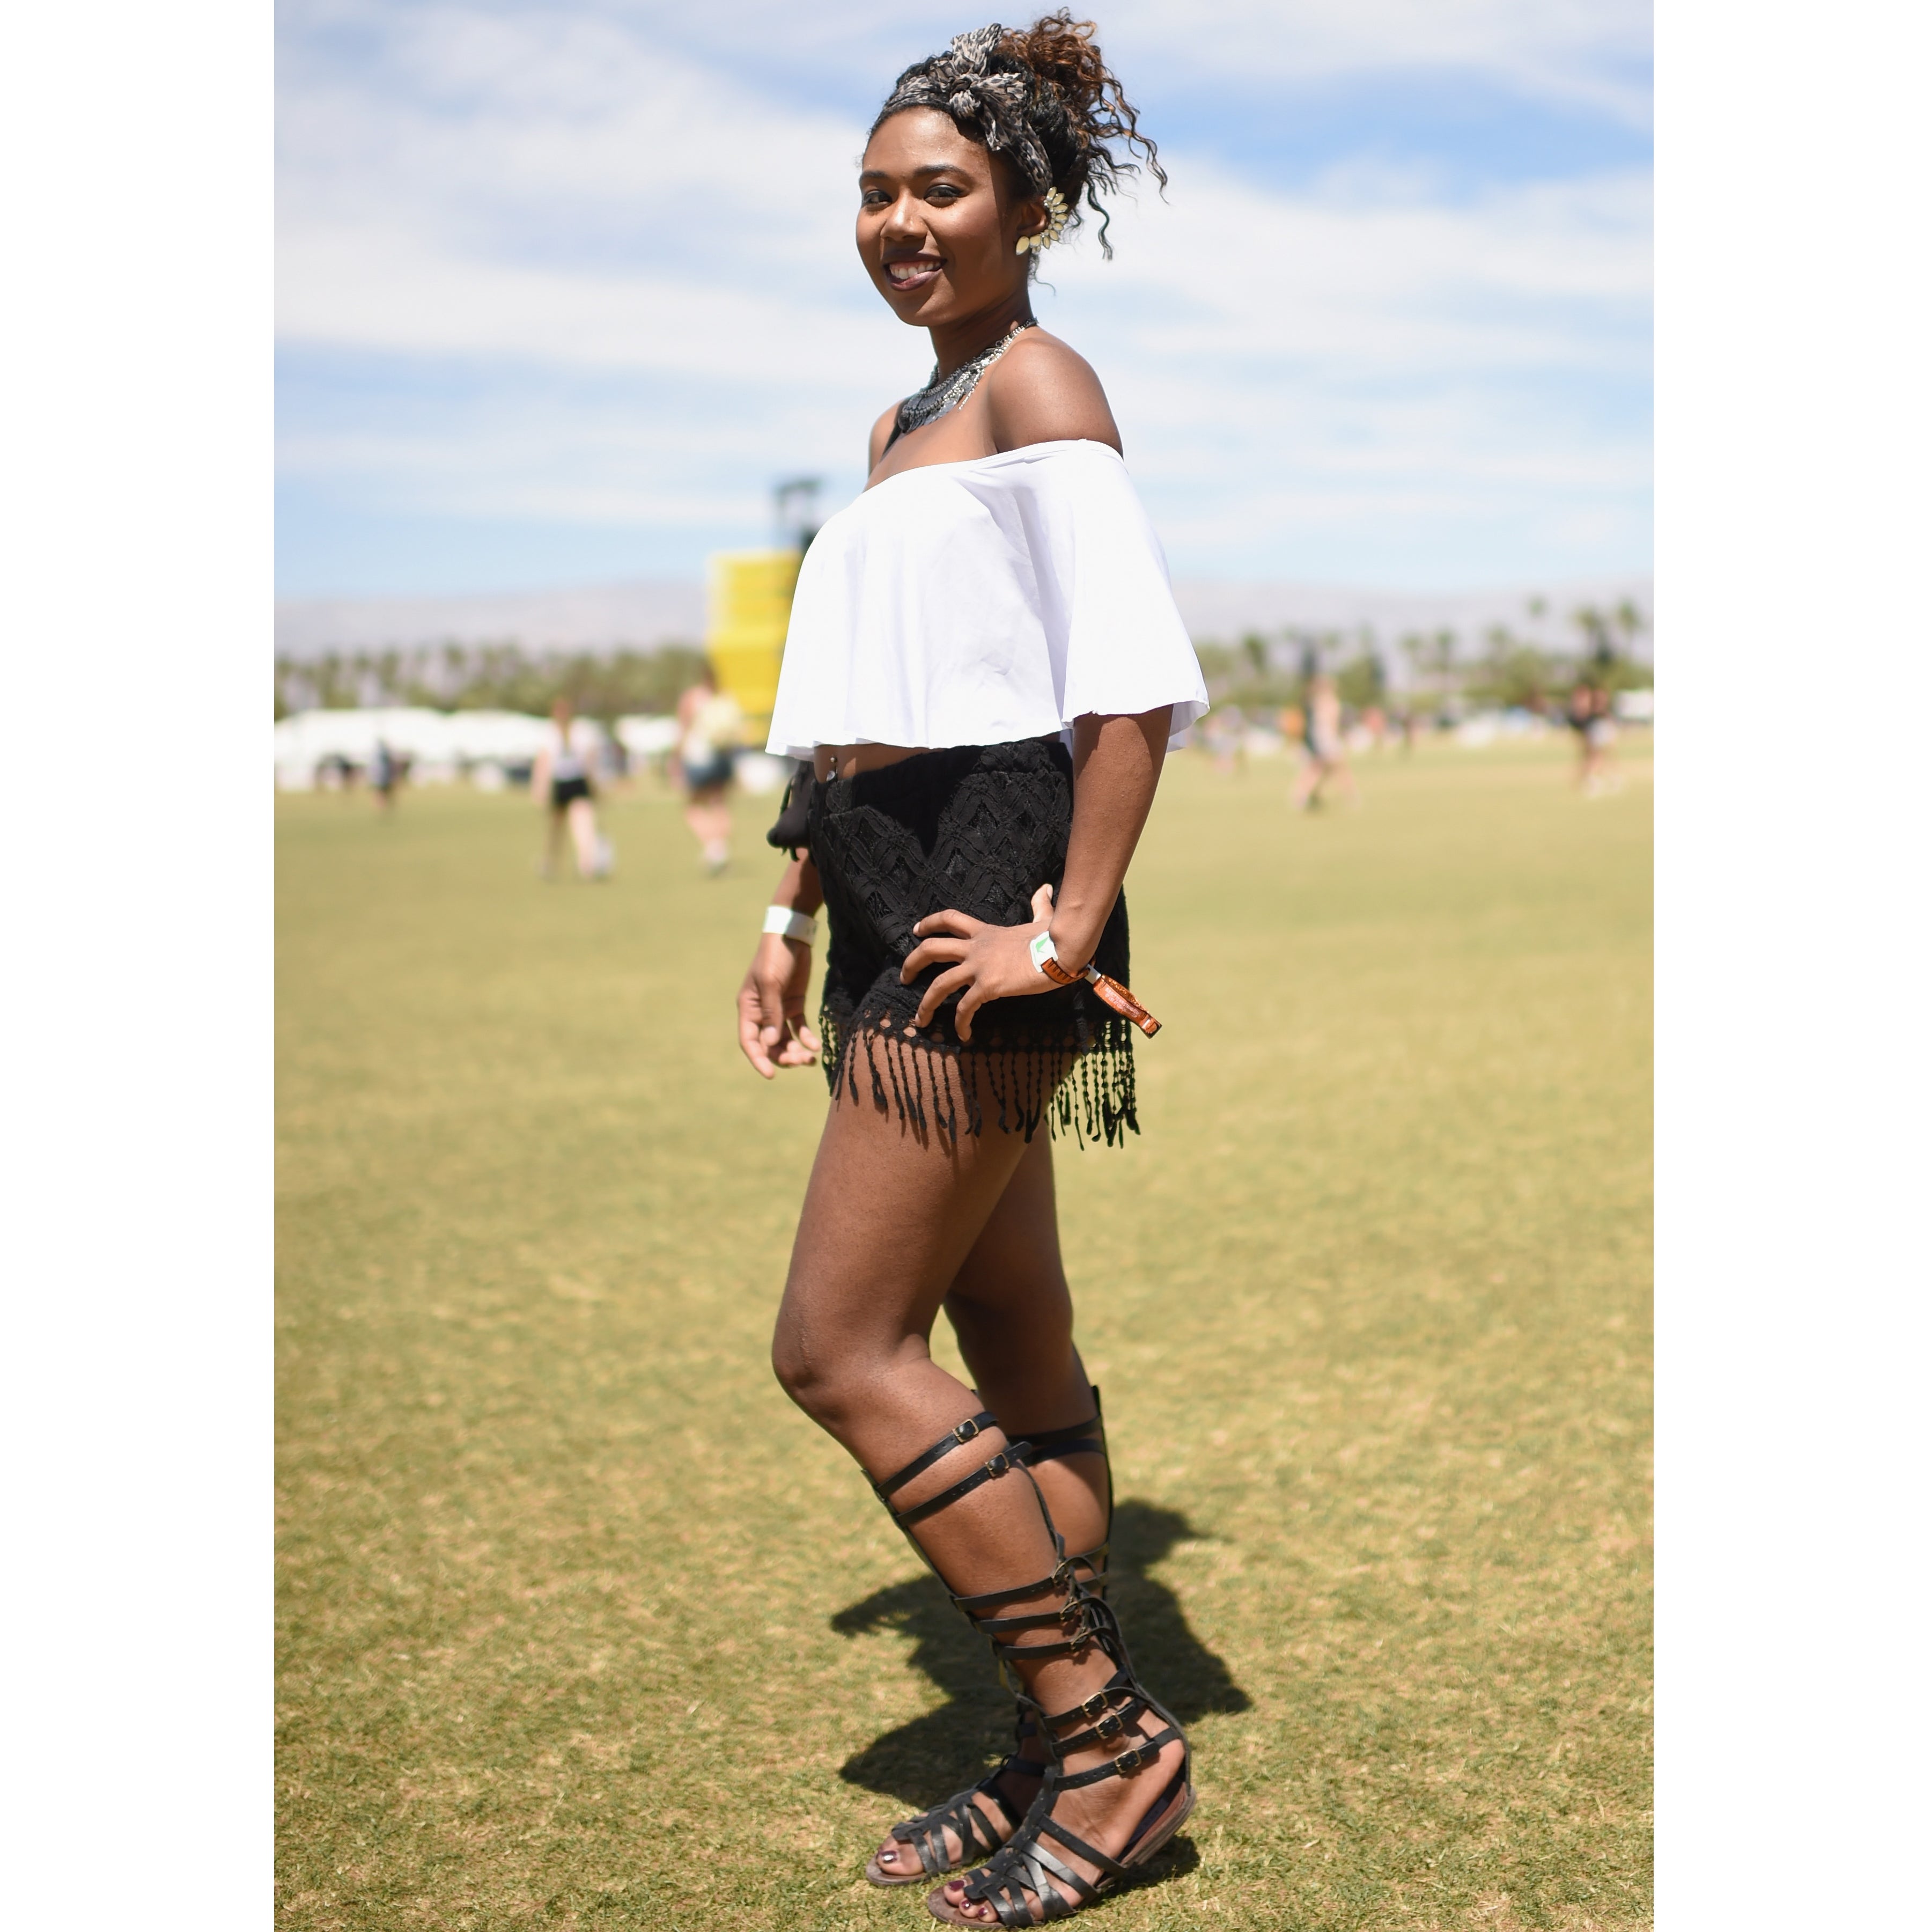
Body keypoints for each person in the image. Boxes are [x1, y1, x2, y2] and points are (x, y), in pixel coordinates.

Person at [734, 19, 1210, 1924]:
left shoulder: (1039, 385)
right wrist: (780, 910)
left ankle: (1107, 1744)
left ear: (1027, 203)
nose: (900, 220)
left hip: (979, 904)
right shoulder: (899, 420)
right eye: (874, 190)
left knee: (838, 1347)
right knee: (1009, 1346)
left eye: (938, 187)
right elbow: (845, 713)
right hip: (876, 887)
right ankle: (1046, 1734)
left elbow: (1127, 678)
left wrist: (1063, 930)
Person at [674, 664, 742, 875]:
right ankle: (720, 847)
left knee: (693, 807)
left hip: (699, 758)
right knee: (719, 803)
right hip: (723, 757)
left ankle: (714, 847)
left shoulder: (693, 698)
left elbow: (683, 729)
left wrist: (675, 759)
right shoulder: (726, 698)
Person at [531, 697, 609, 879]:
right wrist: (540, 787)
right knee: (556, 826)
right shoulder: (549, 733)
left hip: (578, 781)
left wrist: (596, 785)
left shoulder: (581, 732)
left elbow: (590, 760)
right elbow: (543, 762)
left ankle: (587, 864)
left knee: (583, 823)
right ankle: (550, 861)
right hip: (560, 782)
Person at [1292, 672, 1356, 811]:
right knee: (1335, 769)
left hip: (1324, 740)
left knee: (1324, 770)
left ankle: (1306, 795)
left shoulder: (1319, 702)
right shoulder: (1327, 702)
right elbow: (1331, 724)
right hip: (1327, 740)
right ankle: (1350, 797)